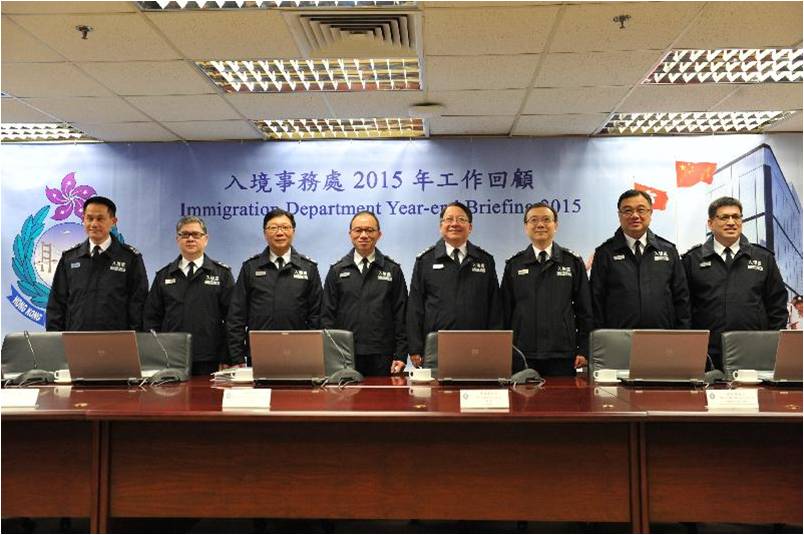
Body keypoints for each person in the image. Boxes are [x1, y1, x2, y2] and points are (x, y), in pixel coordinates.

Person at [682, 197, 788, 370]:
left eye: (736, 217)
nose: (731, 222)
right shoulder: (691, 260)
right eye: (724, 217)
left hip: (754, 352)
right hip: (706, 354)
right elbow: (684, 308)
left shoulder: (764, 258)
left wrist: (771, 345)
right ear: (710, 223)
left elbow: (777, 306)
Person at [407, 201, 503, 368]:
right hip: (435, 347)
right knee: (437, 394)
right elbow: (415, 307)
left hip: (477, 346)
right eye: (449, 219)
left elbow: (495, 307)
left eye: (461, 219)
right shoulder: (425, 261)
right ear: (441, 226)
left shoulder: (485, 260)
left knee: (476, 391)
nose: (454, 224)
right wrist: (415, 347)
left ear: (470, 227)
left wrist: (495, 346)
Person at [501, 203, 593, 376]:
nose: (540, 225)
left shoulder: (572, 262)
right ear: (525, 227)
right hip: (522, 352)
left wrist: (584, 349)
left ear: (556, 225)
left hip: (563, 353)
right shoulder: (514, 264)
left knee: (562, 402)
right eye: (533, 220)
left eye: (546, 219)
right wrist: (506, 350)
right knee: (521, 402)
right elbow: (505, 312)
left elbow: (585, 311)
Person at [227, 209, 322, 366]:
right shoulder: (250, 267)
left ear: (293, 231)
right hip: (259, 351)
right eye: (273, 228)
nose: (280, 233)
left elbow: (316, 315)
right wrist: (236, 357)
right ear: (265, 233)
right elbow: (237, 315)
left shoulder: (308, 268)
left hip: (299, 352)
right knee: (260, 391)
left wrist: (311, 352)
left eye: (285, 227)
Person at [144, 216, 235, 376]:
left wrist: (228, 356)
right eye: (185, 235)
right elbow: (151, 319)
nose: (190, 239)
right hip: (170, 358)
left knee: (208, 401)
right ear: (177, 239)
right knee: (173, 401)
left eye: (196, 234)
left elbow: (232, 319)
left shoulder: (222, 274)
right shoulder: (163, 276)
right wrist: (157, 354)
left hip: (211, 358)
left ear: (205, 239)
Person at [322, 211, 408, 376]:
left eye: (369, 230)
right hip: (345, 355)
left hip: (384, 355)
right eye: (358, 230)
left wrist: (401, 354)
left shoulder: (392, 270)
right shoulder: (337, 271)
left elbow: (402, 315)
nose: (363, 235)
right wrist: (331, 355)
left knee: (383, 401)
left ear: (379, 234)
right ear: (350, 234)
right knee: (345, 401)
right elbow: (327, 317)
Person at [590, 189, 690, 330]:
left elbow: (682, 298)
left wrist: (683, 335)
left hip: (663, 338)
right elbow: (596, 300)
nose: (635, 215)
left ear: (650, 213)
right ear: (619, 215)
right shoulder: (604, 253)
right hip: (619, 339)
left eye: (641, 210)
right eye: (627, 211)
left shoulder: (668, 250)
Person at [46, 196, 148, 332]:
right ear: (83, 219)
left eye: (100, 219)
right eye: (89, 218)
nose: (94, 224)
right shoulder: (69, 258)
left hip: (117, 343)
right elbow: (57, 304)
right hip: (75, 341)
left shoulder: (130, 258)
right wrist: (55, 340)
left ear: (113, 221)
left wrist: (135, 340)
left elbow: (138, 305)